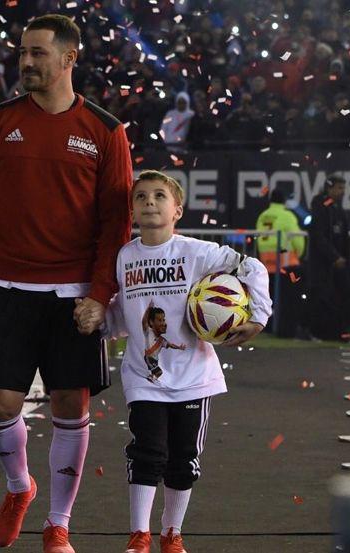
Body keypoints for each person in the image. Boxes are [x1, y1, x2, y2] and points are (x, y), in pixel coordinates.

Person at [0, 15, 133, 553]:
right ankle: (18, 488)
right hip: (6, 287)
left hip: (74, 297)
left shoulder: (105, 130)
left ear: (69, 59)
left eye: (38, 53)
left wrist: (100, 293)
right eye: (22, 52)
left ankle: (58, 522)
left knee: (70, 406)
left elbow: (114, 226)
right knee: (1, 404)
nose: (26, 62)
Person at [74, 170, 271, 553]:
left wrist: (259, 316)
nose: (149, 202)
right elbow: (122, 314)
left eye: (159, 196)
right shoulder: (123, 257)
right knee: (147, 451)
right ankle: (139, 534)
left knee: (183, 458)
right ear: (131, 209)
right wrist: (97, 321)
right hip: (143, 377)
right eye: (141, 196)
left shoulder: (197, 252)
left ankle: (171, 532)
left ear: (177, 209)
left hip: (194, 377)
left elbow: (253, 268)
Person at [306, 174, 350, 341]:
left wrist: (348, 259)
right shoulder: (321, 205)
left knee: (341, 296)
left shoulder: (337, 209)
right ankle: (317, 333)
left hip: (337, 263)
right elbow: (319, 235)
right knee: (321, 298)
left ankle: (336, 332)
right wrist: (334, 257)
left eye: (344, 188)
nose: (343, 192)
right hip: (323, 264)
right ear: (330, 188)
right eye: (340, 188)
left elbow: (344, 237)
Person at [255, 189, 306, 337]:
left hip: (266, 263)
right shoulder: (287, 215)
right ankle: (287, 330)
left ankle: (267, 327)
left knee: (267, 299)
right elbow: (297, 239)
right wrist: (299, 254)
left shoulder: (262, 216)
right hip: (285, 263)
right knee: (288, 300)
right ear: (284, 201)